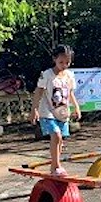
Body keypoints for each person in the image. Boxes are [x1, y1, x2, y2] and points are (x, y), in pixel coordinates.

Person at [30, 45, 81, 176]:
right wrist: (34, 109)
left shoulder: (70, 75)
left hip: (62, 112)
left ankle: (55, 167)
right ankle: (56, 165)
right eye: (61, 62)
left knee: (60, 140)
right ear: (54, 59)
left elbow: (70, 93)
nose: (64, 65)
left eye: (67, 62)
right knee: (56, 135)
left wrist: (76, 107)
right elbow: (38, 92)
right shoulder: (46, 75)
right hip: (47, 111)